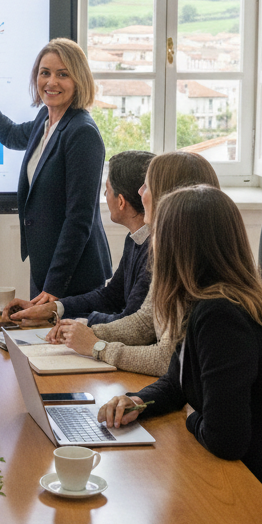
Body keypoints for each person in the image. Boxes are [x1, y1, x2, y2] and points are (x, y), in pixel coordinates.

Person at [97, 184, 262, 500]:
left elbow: (225, 440)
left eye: (160, 238)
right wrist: (138, 402)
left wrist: (189, 417)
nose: (154, 249)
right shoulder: (203, 300)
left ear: (182, 248)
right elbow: (177, 382)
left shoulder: (220, 315)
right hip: (256, 478)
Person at [35, 150, 220, 376]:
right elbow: (143, 321)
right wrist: (81, 330)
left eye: (147, 185)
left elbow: (167, 360)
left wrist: (96, 346)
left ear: (172, 199)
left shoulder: (197, 273)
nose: (140, 193)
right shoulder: (172, 255)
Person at [0, 38, 111, 298]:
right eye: (44, 73)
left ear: (79, 80)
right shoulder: (46, 118)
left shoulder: (81, 132)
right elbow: (10, 134)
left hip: (73, 276)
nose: (51, 82)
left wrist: (53, 286)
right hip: (46, 268)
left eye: (63, 74)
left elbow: (79, 219)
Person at [1, 149, 153, 326]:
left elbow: (129, 322)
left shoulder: (155, 250)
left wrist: (67, 322)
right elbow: (110, 297)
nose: (104, 196)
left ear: (121, 201)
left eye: (107, 191)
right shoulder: (135, 238)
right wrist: (51, 309)